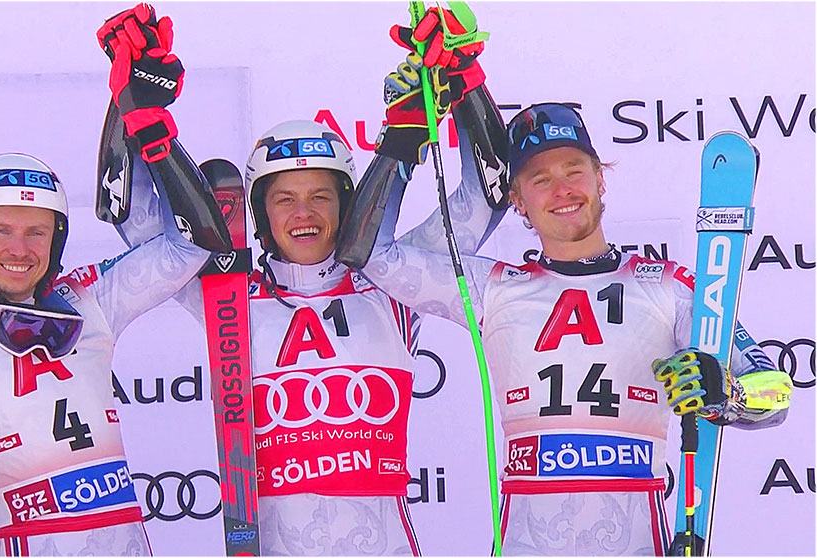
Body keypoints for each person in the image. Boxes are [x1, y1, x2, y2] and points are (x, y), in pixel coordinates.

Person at [335, 18, 794, 555]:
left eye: (574, 170)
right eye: (540, 179)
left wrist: (726, 392)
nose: (562, 190)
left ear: (601, 178)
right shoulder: (492, 287)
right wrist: (406, 132)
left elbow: (777, 393)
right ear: (518, 201)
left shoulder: (668, 287)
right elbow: (368, 254)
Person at [95, 4, 510, 555]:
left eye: (321, 196)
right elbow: (132, 214)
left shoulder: (393, 283)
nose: (303, 214)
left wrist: (465, 81)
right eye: (284, 199)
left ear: (348, 203)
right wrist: (127, 102)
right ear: (260, 214)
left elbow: (486, 196)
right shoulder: (227, 298)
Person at [0, 145, 230, 555]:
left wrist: (153, 136)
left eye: (36, 232)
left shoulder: (92, 301)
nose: (20, 250)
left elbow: (191, 247)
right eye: (2, 230)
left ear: (55, 241)